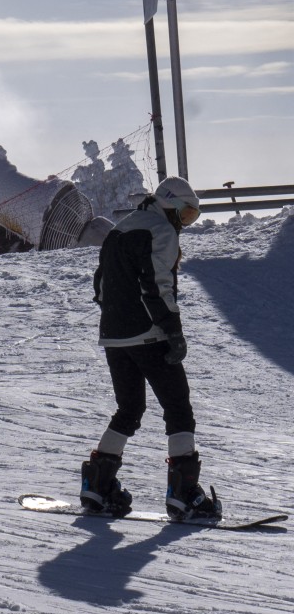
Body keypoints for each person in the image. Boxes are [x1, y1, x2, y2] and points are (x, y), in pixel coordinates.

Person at [80, 176, 221, 519]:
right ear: (170, 205)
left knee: (129, 410)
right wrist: (172, 330)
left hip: (114, 335)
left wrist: (119, 320)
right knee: (178, 408)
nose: (185, 223)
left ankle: (97, 487)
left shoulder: (121, 228)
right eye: (186, 214)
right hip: (149, 334)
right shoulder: (162, 230)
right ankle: (184, 494)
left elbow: (101, 285)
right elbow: (156, 285)